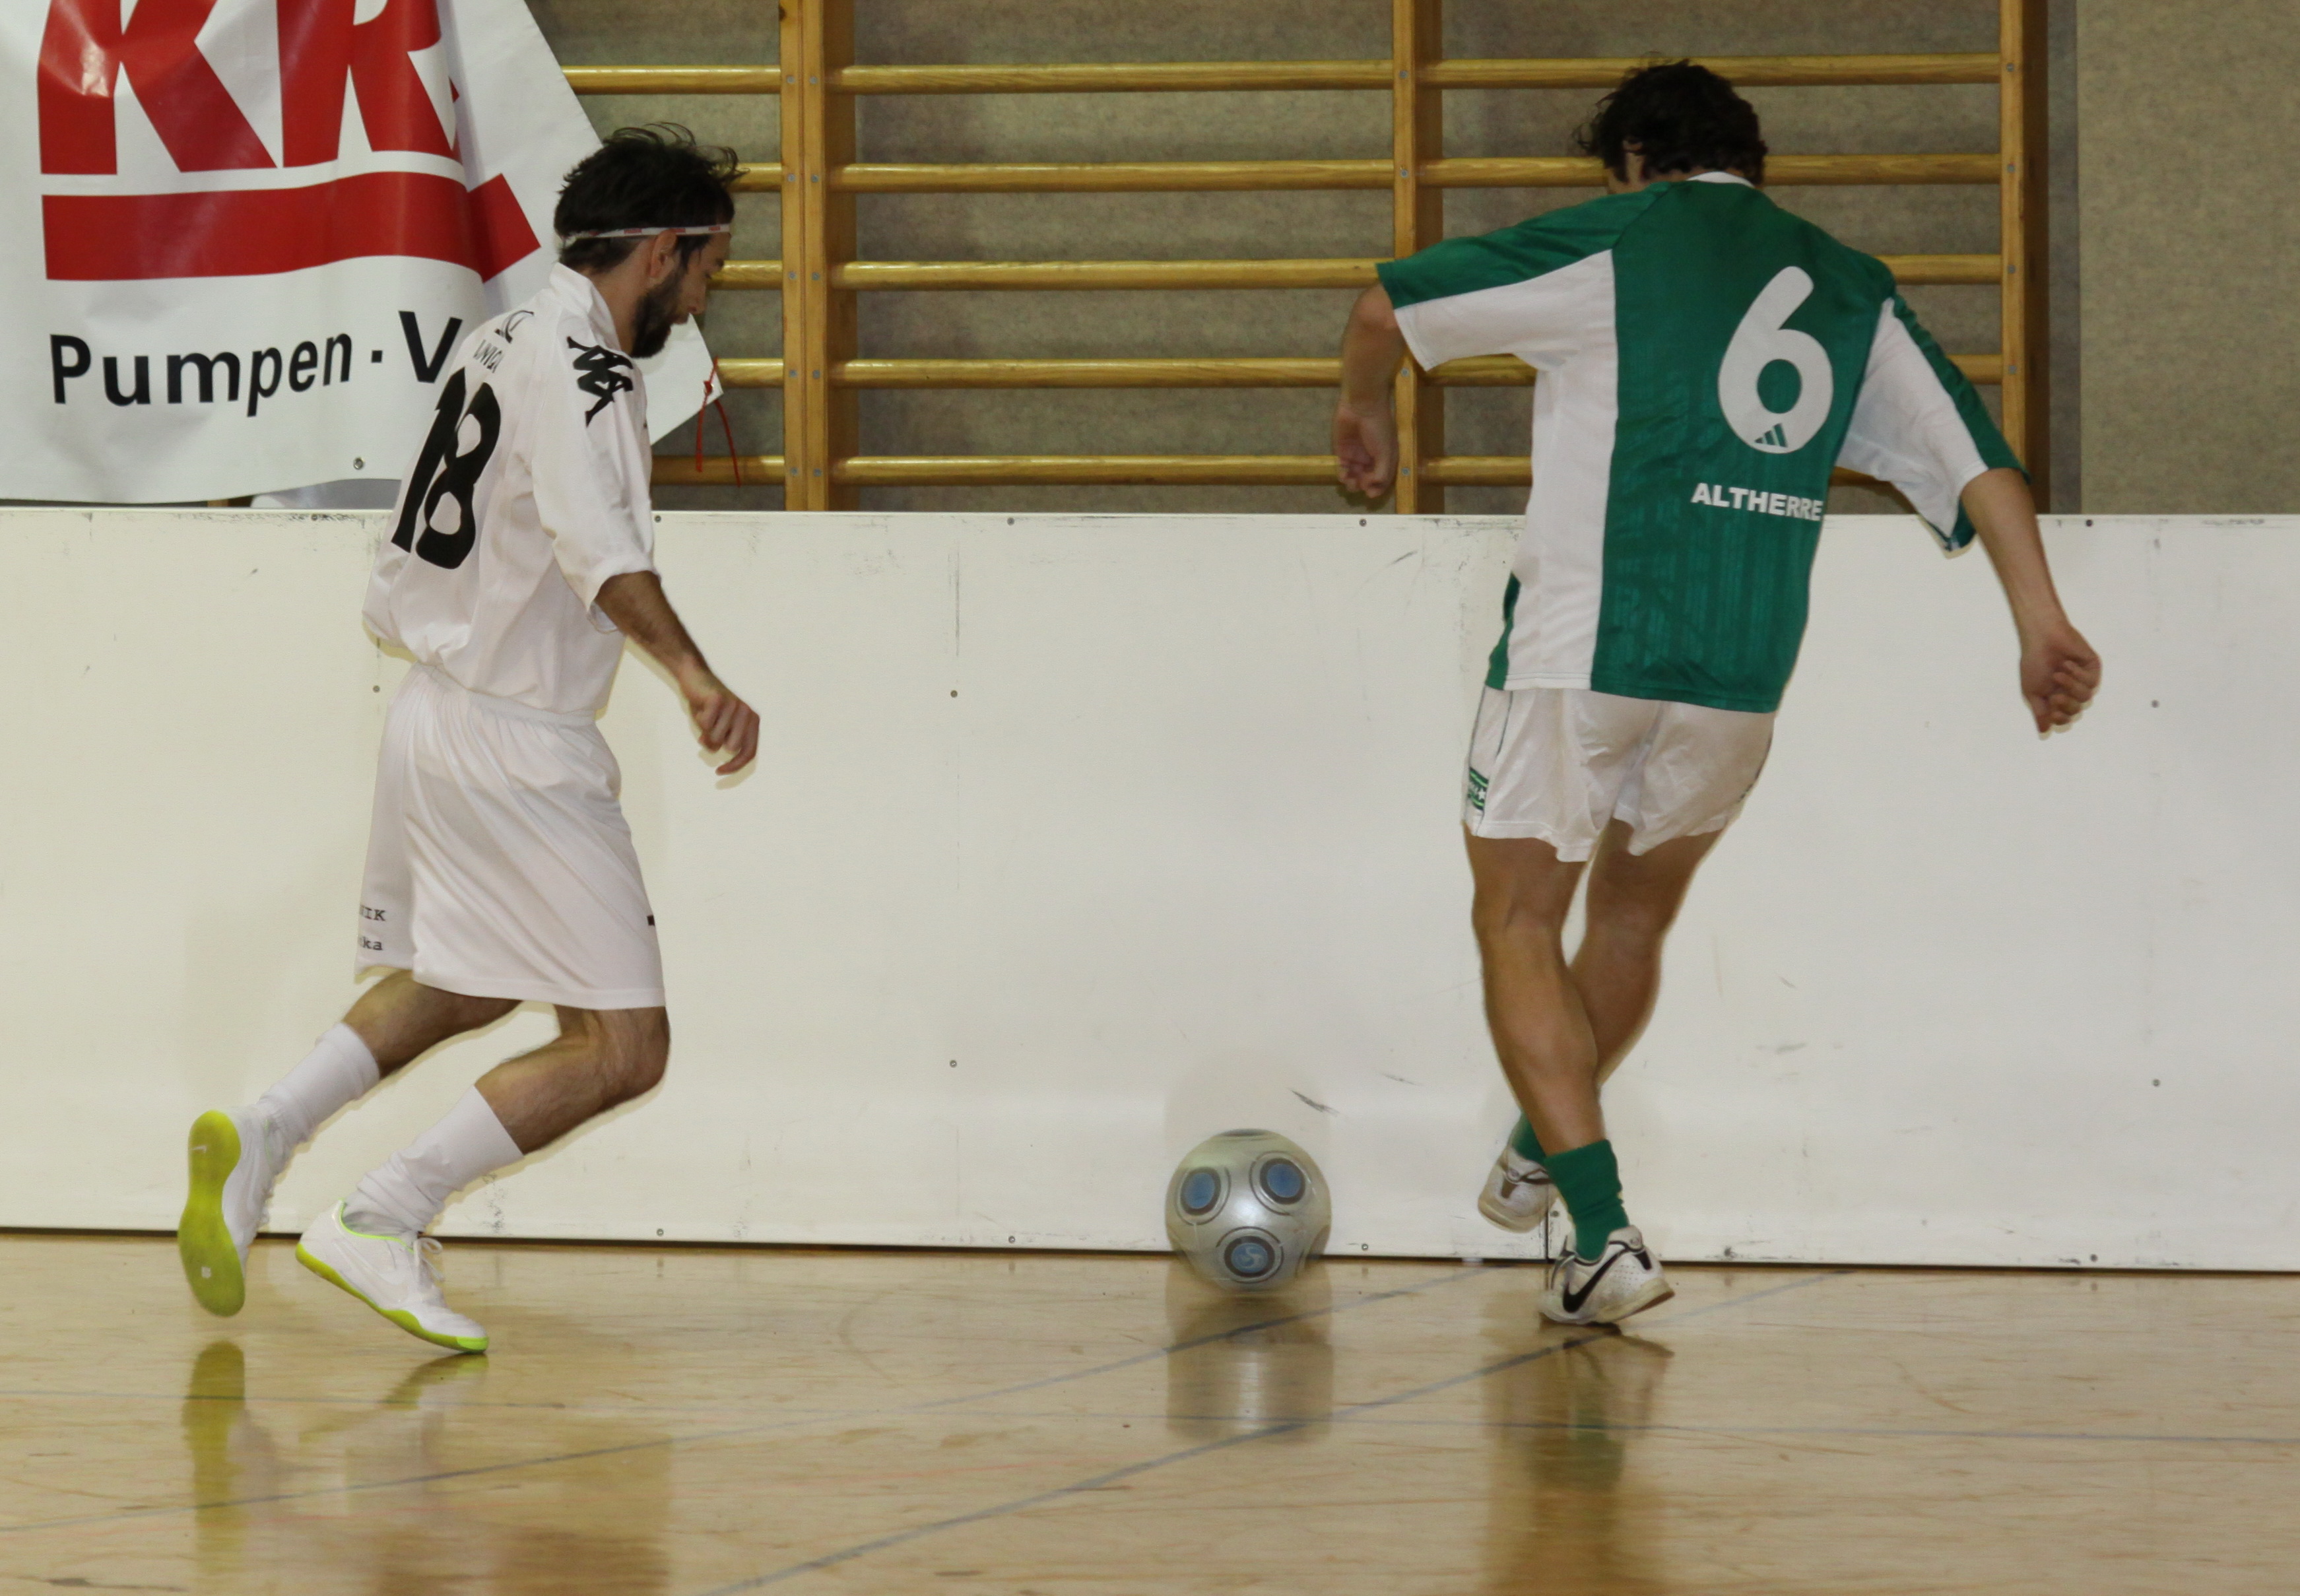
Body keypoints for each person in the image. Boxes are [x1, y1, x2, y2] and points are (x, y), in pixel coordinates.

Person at [1331, 64, 2100, 1326]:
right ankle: (1541, 1140)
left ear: (1637, 157)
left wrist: (1365, 408)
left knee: (1517, 918)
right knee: (1631, 922)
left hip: (1587, 646)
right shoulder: (1848, 285)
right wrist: (2042, 623)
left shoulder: (1623, 236)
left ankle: (1602, 1234)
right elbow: (1978, 464)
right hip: (1740, 672)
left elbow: (1383, 307)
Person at [175, 127, 758, 1353]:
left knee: (469, 978)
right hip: (519, 740)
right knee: (625, 1048)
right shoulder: (595, 376)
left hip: (436, 709)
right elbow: (602, 555)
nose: (706, 297)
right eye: (708, 269)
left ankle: (268, 1130)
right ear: (662, 250)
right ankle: (381, 1214)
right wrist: (697, 675)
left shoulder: (501, 336)